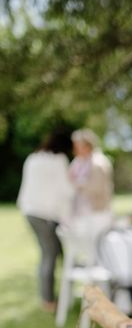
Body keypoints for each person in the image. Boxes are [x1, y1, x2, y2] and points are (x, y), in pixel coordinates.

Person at [17, 129, 75, 312]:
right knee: (50, 256)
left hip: (30, 211)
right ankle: (49, 300)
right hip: (46, 215)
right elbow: (66, 191)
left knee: (52, 253)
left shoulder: (33, 158)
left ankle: (57, 295)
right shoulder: (58, 161)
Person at [68, 129, 114, 251]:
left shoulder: (99, 162)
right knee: (86, 247)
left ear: (87, 146)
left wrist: (78, 185)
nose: (75, 149)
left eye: (77, 146)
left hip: (97, 210)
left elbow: (98, 187)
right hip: (80, 211)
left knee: (99, 245)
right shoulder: (77, 162)